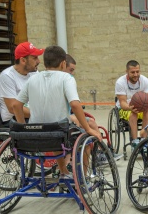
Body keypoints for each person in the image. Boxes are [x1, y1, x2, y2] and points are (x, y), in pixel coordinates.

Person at [13, 45, 102, 179]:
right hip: (58, 133)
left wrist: (23, 128)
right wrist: (88, 129)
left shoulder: (32, 79)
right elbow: (75, 104)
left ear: (45, 62)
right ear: (63, 63)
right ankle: (83, 179)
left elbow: (16, 105)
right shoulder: (67, 78)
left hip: (35, 134)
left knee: (56, 132)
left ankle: (64, 172)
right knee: (85, 141)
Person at [63, 54, 123, 162]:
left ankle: (101, 151)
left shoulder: (67, 80)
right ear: (63, 66)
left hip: (67, 115)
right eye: (70, 70)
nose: (72, 74)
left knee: (91, 121)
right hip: (63, 118)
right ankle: (91, 154)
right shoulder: (65, 81)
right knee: (83, 125)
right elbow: (73, 105)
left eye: (73, 71)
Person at [0, 42, 44, 124]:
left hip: (31, 116)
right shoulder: (7, 76)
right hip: (13, 120)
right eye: (35, 58)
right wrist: (41, 115)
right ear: (23, 60)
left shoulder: (34, 72)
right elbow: (13, 108)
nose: (38, 61)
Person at [115, 60, 148, 149]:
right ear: (127, 72)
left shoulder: (145, 80)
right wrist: (130, 107)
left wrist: (146, 106)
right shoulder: (120, 82)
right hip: (125, 108)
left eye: (137, 71)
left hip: (142, 107)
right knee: (133, 114)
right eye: (132, 72)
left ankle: (144, 140)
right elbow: (123, 102)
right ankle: (135, 142)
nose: (136, 74)